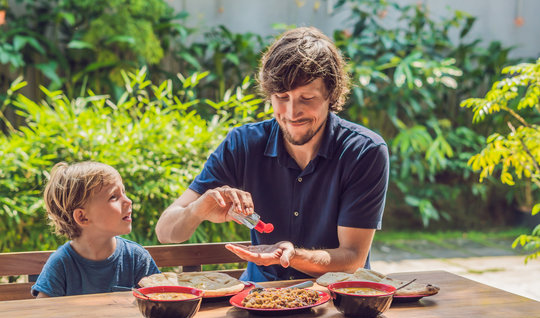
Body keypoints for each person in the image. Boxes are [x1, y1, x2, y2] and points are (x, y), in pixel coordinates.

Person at [156, 27, 389, 282]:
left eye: (307, 98)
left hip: (335, 302)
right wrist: (198, 210)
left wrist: (289, 255)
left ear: (330, 95)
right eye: (281, 97)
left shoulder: (364, 151)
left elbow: (353, 258)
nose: (291, 112)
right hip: (256, 300)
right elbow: (166, 232)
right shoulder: (243, 144)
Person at [31, 161, 160, 298]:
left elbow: (161, 301)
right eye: (113, 197)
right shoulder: (61, 264)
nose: (128, 201)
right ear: (82, 217)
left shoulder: (136, 258)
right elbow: (43, 313)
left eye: (123, 192)